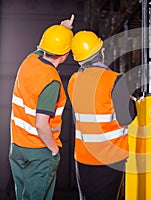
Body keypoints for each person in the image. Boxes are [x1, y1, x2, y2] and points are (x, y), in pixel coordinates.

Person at [9, 15, 74, 200]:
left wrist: (62, 30)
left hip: (17, 147)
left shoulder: (29, 61)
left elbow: (41, 49)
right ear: (66, 55)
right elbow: (41, 123)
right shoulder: (51, 81)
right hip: (39, 150)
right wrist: (54, 151)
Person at [67, 30, 136, 200]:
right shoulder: (115, 80)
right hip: (109, 158)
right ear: (102, 53)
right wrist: (131, 101)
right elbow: (126, 118)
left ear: (79, 59)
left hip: (83, 157)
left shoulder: (73, 80)